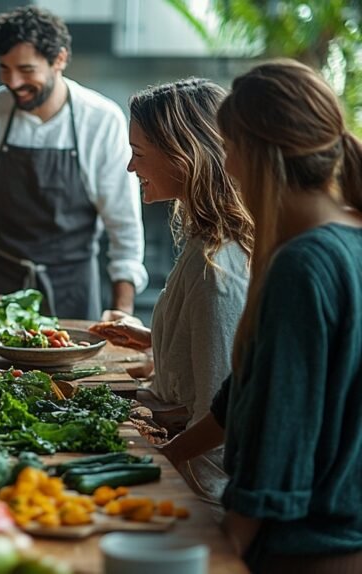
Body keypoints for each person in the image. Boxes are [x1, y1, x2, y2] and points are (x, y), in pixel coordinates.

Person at [163, 60, 362, 572]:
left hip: (301, 547)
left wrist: (226, 547)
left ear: (257, 152)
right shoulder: (344, 238)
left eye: (229, 148)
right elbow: (244, 399)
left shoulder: (303, 265)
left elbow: (282, 436)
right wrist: (164, 457)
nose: (225, 165)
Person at [89, 79, 253, 501]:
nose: (130, 167)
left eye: (139, 154)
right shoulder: (206, 240)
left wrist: (160, 462)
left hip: (200, 492)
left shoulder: (217, 267)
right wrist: (153, 340)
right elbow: (215, 356)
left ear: (184, 158)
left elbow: (219, 414)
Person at [0, 5, 147, 319]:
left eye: (26, 70)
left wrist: (123, 308)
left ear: (59, 59)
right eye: (5, 68)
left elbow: (123, 223)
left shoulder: (101, 120)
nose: (13, 82)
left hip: (73, 286)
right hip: (0, 285)